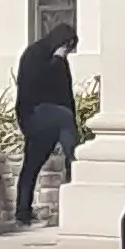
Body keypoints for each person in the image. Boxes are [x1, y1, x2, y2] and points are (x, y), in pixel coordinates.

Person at [11, 23, 78, 227]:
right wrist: (56, 61)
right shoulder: (34, 55)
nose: (66, 51)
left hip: (53, 120)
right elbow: (32, 85)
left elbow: (66, 95)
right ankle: (73, 161)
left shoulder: (60, 62)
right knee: (64, 118)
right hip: (33, 113)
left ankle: (23, 210)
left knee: (33, 163)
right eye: (65, 46)